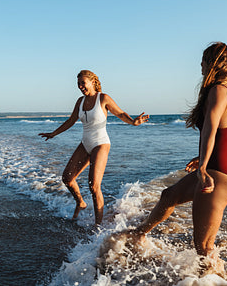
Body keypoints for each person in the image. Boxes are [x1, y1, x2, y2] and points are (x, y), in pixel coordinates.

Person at [129, 42, 227, 257]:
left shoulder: (217, 91)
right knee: (168, 196)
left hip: (217, 174)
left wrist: (202, 168)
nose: (200, 64)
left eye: (204, 60)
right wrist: (203, 157)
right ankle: (138, 235)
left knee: (203, 248)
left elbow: (210, 131)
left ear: (213, 63)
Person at [39, 70, 149, 225]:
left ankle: (98, 226)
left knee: (93, 185)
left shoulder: (103, 98)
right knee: (67, 178)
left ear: (92, 82)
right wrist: (53, 133)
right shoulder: (80, 101)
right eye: (78, 84)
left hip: (101, 143)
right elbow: (71, 121)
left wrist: (134, 122)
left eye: (83, 83)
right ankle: (81, 202)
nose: (80, 86)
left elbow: (120, 113)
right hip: (85, 143)